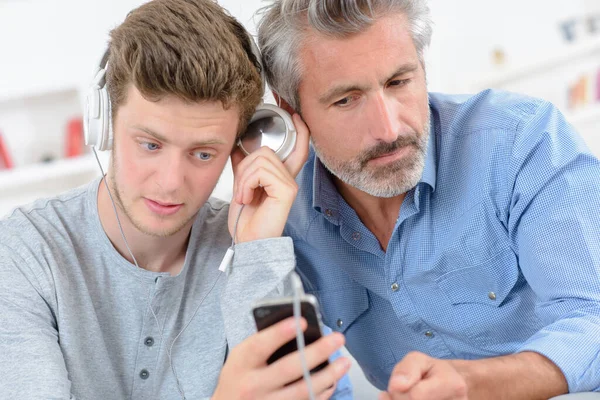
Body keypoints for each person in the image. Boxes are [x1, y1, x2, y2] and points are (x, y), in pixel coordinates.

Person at [0, 0, 354, 399]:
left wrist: (255, 250)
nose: (170, 183)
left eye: (203, 154)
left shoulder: (258, 247)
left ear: (244, 147)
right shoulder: (22, 253)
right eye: (150, 144)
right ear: (105, 123)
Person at [256, 0, 600, 398]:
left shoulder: (521, 141)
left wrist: (472, 384)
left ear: (422, 66)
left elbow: (593, 318)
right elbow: (290, 384)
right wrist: (256, 244)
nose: (388, 129)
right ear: (289, 111)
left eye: (398, 82)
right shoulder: (285, 213)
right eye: (346, 100)